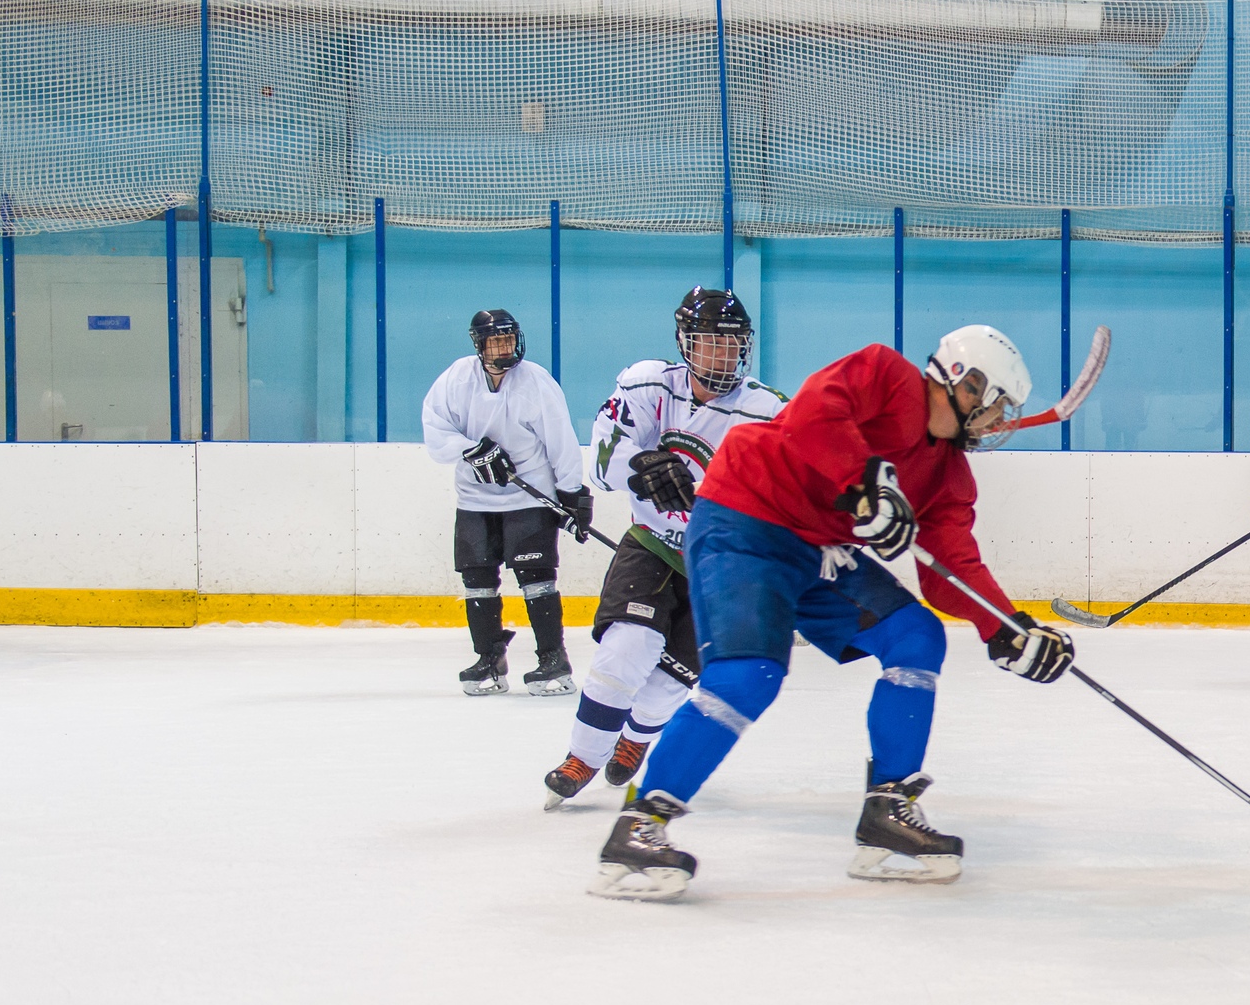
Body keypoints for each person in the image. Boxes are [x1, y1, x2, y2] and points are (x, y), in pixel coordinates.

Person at [587, 324, 1076, 902]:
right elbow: (816, 414)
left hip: (816, 551)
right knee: (749, 677)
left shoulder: (948, 475)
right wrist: (865, 478)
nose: (998, 423)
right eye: (996, 405)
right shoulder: (886, 375)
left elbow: (954, 567)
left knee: (916, 636)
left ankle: (888, 810)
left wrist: (1009, 629)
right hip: (744, 517)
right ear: (966, 385)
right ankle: (639, 825)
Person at [540, 288, 786, 810]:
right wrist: (642, 465)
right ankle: (583, 755)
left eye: (732, 345)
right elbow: (602, 469)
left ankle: (635, 739)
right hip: (651, 545)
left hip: (723, 569)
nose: (721, 356)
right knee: (625, 650)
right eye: (708, 344)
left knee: (672, 679)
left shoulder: (766, 411)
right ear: (683, 343)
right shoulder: (649, 384)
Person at [420, 308, 590, 696]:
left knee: (537, 579)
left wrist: (571, 495)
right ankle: (489, 658)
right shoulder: (456, 378)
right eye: (495, 341)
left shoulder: (536, 382)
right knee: (477, 580)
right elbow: (434, 427)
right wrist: (470, 450)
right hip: (475, 500)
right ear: (479, 345)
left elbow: (560, 440)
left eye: (508, 339)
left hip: (529, 498)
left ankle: (553, 658)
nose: (504, 347)